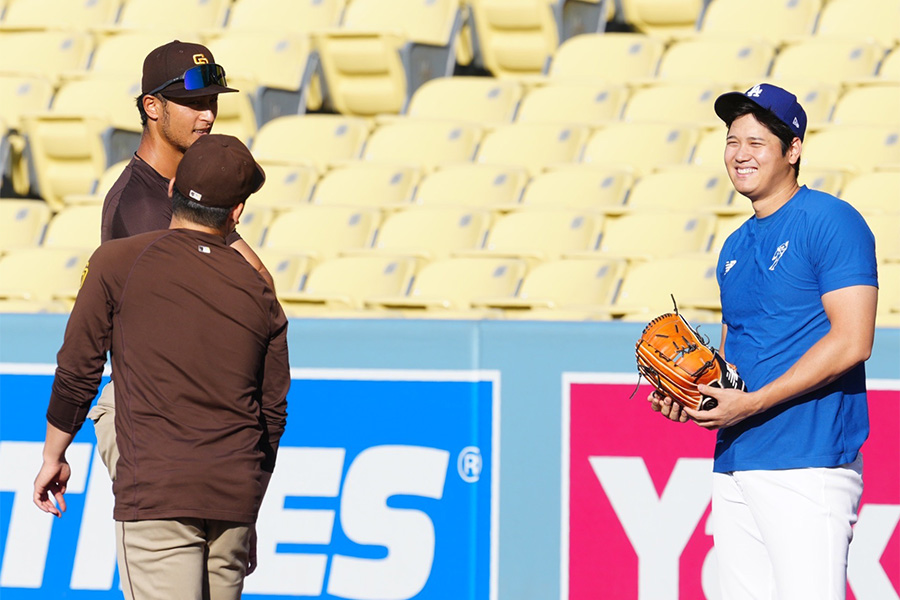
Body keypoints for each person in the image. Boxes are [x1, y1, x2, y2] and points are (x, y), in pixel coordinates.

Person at [33, 134, 290, 600]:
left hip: (159, 492)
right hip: (233, 499)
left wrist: (54, 456)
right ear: (236, 214)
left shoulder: (117, 262)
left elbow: (78, 369)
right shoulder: (260, 291)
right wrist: (248, 508)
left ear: (170, 192)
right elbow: (270, 415)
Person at [649, 83, 878, 599]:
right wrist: (694, 397)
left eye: (756, 141)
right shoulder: (735, 244)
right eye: (732, 141)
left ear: (792, 149)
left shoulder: (831, 220)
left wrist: (750, 403)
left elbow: (853, 341)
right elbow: (732, 362)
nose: (739, 154)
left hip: (808, 459)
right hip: (736, 459)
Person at [92, 39, 274, 483]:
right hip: (155, 421)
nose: (208, 115)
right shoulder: (139, 207)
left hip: (197, 416)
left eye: (211, 102)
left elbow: (260, 288)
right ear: (152, 107)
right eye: (192, 103)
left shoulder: (192, 190)